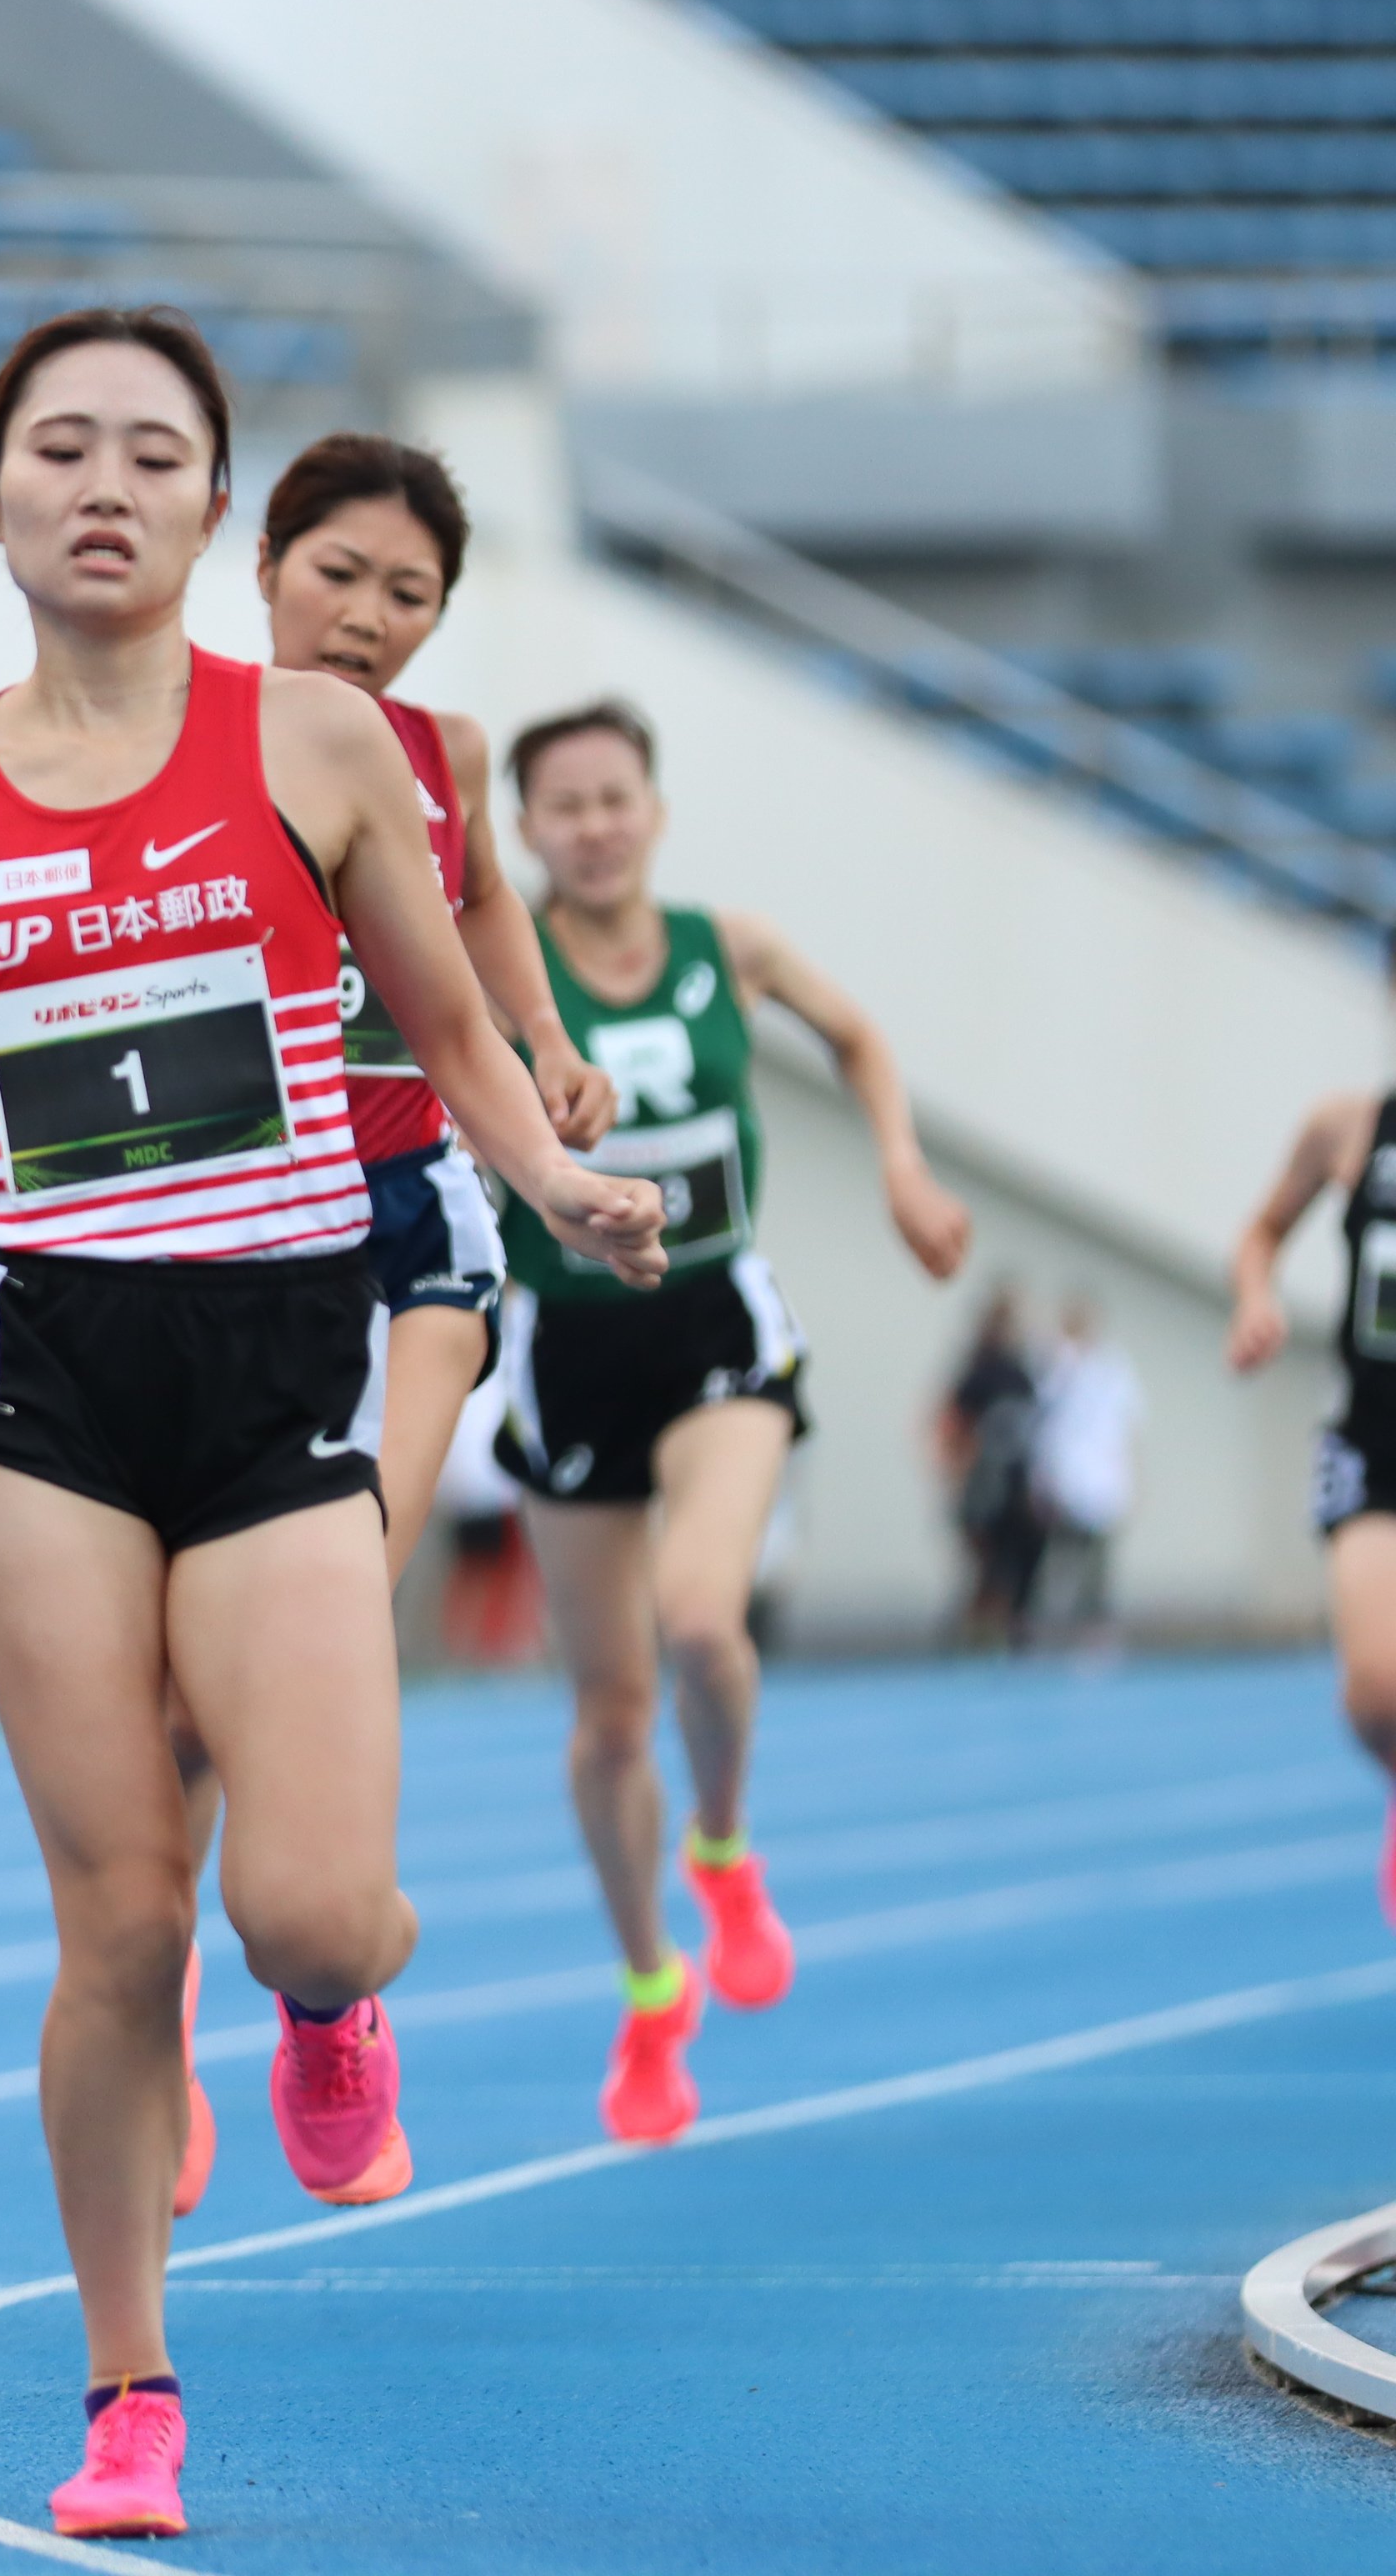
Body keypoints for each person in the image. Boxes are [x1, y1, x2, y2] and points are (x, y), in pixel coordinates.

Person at [0, 309, 664, 2540]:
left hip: (281, 1348)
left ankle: (327, 2005)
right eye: (60, 450)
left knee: (304, 1907)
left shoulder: (314, 745)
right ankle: (130, 2398)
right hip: (36, 1382)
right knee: (118, 1922)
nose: (103, 487)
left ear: (219, 508)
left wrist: (552, 1172)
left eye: (154, 456)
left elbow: (460, 1020)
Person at [154, 433, 618, 2217]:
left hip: (409, 1220)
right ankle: (182, 2001)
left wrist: (546, 1038)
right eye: (337, 572)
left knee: (327, 1603)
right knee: (179, 1713)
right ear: (261, 562)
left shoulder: (442, 757)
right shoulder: (164, 740)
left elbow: (484, 897)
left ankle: (327, 1995)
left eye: (409, 594)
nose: (366, 616)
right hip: (204, 1237)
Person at [495, 698, 971, 2149]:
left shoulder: (727, 949)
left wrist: (899, 1164)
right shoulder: (492, 959)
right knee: (606, 1710)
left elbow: (859, 1033)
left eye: (613, 797)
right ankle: (651, 1985)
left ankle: (723, 1845)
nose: (592, 826)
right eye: (563, 806)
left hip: (715, 1329)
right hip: (568, 1346)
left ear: (653, 808)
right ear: (524, 829)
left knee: (704, 1621)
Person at [1226, 1077, 1396, 1923]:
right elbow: (1261, 1232)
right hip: (1375, 1438)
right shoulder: (1346, 1127)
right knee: (1375, 1692)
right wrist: (1257, 1297)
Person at [1029, 1294, 1138, 1652]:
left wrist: (1129, 1475)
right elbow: (1041, 1424)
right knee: (1058, 1558)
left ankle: (1094, 1629)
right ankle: (1048, 1630)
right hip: (1062, 1480)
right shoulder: (1052, 1365)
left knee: (1097, 1562)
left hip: (1101, 1481)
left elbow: (1125, 1426)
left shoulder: (1110, 1367)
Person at [938, 1284, 1044, 1646]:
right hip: (985, 1485)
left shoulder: (1023, 1374)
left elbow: (1032, 1433)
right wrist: (956, 1472)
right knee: (987, 1566)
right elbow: (951, 1423)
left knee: (1022, 1559)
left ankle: (1011, 1629)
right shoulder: (979, 1372)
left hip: (1017, 1486)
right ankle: (973, 1635)